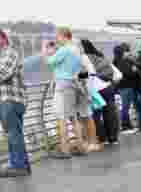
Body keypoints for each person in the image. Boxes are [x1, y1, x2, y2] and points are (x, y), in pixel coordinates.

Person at [0, 27, 30, 177]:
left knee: (13, 133)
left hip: (10, 99)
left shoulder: (10, 52)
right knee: (14, 133)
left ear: (3, 38)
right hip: (5, 99)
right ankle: (20, 165)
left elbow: (3, 72)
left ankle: (18, 166)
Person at [44, 27, 90, 157]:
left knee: (62, 117)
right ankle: (80, 146)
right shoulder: (76, 49)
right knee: (73, 117)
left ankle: (65, 149)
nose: (56, 39)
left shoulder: (64, 50)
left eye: (57, 36)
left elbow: (48, 62)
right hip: (73, 84)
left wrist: (45, 49)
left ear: (63, 36)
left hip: (63, 85)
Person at [80, 39, 119, 147]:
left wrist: (78, 77)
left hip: (95, 89)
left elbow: (88, 74)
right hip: (107, 86)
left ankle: (101, 138)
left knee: (96, 115)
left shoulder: (83, 57)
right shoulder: (99, 55)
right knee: (110, 113)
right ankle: (113, 138)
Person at [113, 43, 141, 133]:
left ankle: (127, 124)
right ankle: (126, 125)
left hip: (122, 86)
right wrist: (134, 70)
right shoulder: (123, 61)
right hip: (128, 87)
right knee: (129, 106)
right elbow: (129, 73)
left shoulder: (115, 61)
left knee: (126, 106)